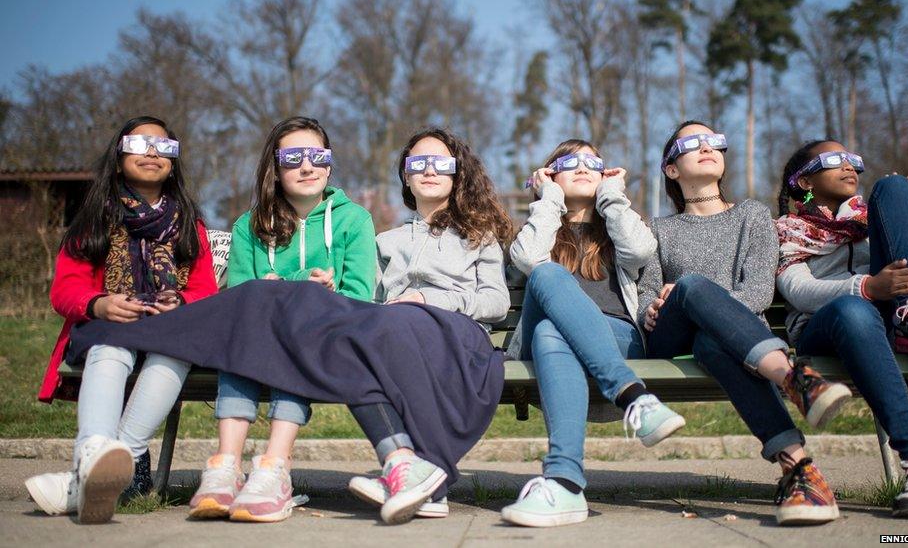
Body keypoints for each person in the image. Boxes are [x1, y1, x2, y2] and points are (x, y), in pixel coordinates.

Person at [66, 126, 513, 525]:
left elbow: (490, 300)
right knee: (288, 329)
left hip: (420, 329)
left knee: (326, 333)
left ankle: (408, 469)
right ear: (405, 176)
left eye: (441, 163)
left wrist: (420, 297)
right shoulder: (386, 240)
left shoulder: (470, 236)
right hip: (365, 331)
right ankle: (394, 466)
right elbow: (256, 295)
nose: (430, 171)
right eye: (418, 163)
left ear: (458, 174)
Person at [638, 120, 852, 525]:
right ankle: (793, 378)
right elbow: (647, 293)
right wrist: (651, 307)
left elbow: (757, 294)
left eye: (714, 142)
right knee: (691, 288)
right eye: (693, 144)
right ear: (671, 169)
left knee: (710, 342)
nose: (707, 147)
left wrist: (705, 306)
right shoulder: (658, 229)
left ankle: (800, 469)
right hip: (670, 337)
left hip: (727, 344)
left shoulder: (752, 216)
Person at [25, 116, 218, 523]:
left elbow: (205, 291)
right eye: (140, 144)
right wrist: (99, 304)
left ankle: (93, 475)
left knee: (175, 350)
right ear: (117, 159)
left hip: (169, 332)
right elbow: (65, 289)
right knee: (111, 345)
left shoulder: (189, 224)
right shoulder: (95, 218)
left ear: (174, 163)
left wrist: (181, 301)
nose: (152, 153)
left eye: (164, 148)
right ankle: (97, 451)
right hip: (109, 327)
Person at [188, 116, 376, 522]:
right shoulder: (248, 226)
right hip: (257, 336)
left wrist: (306, 290)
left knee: (297, 323)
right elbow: (238, 296)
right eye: (293, 157)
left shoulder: (354, 220)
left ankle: (275, 466)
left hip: (326, 336)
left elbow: (361, 295)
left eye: (317, 156)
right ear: (276, 166)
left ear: (329, 163)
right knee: (248, 330)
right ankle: (225, 467)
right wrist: (290, 284)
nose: (306, 166)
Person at [500, 139, 684, 527]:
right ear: (549, 174)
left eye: (593, 162)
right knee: (548, 271)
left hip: (617, 338)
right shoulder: (540, 226)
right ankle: (634, 397)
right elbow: (529, 259)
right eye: (569, 161)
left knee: (553, 330)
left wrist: (613, 198)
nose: (583, 167)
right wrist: (548, 198)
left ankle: (564, 482)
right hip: (543, 348)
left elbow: (640, 252)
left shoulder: (619, 228)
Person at [776, 139, 908, 517]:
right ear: (804, 183)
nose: (849, 167)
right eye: (834, 160)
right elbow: (798, 289)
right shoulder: (787, 229)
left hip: (898, 321)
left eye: (853, 160)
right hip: (827, 329)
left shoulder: (870, 219)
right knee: (852, 309)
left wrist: (898, 209)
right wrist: (866, 287)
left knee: (895, 188)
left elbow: (905, 260)